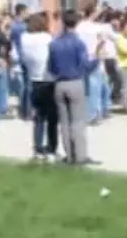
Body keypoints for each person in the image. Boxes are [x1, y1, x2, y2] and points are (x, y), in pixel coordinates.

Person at [48, 11, 93, 165]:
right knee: (78, 121)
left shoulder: (54, 44)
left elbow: (51, 68)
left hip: (59, 83)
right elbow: (85, 66)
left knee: (65, 123)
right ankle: (80, 156)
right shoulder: (79, 44)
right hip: (75, 81)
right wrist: (98, 60)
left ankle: (69, 155)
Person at [20, 14, 58, 162]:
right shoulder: (47, 38)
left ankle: (37, 146)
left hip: (34, 78)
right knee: (52, 118)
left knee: (39, 117)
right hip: (48, 79)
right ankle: (51, 147)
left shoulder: (25, 39)